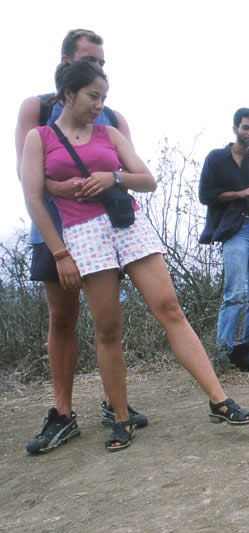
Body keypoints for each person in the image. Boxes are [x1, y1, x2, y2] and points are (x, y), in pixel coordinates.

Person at [21, 60, 249, 452]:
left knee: (170, 309)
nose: (99, 105)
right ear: (68, 93)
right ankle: (122, 420)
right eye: (93, 96)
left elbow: (147, 179)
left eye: (103, 98)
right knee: (108, 328)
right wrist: (59, 253)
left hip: (128, 225)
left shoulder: (108, 132)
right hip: (82, 234)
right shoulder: (39, 138)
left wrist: (112, 177)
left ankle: (220, 400)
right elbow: (32, 197)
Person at [14, 28, 147, 455]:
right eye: (91, 61)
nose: (101, 70)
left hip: (103, 232)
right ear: (66, 64)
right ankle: (62, 412)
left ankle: (114, 403)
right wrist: (58, 244)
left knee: (108, 319)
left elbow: (127, 176)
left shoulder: (112, 117)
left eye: (104, 63)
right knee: (62, 317)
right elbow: (29, 178)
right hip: (52, 228)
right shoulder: (35, 109)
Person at [199, 108, 249, 360]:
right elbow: (205, 196)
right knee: (234, 295)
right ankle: (223, 354)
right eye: (246, 128)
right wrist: (240, 194)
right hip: (234, 231)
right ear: (235, 129)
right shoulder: (216, 158)